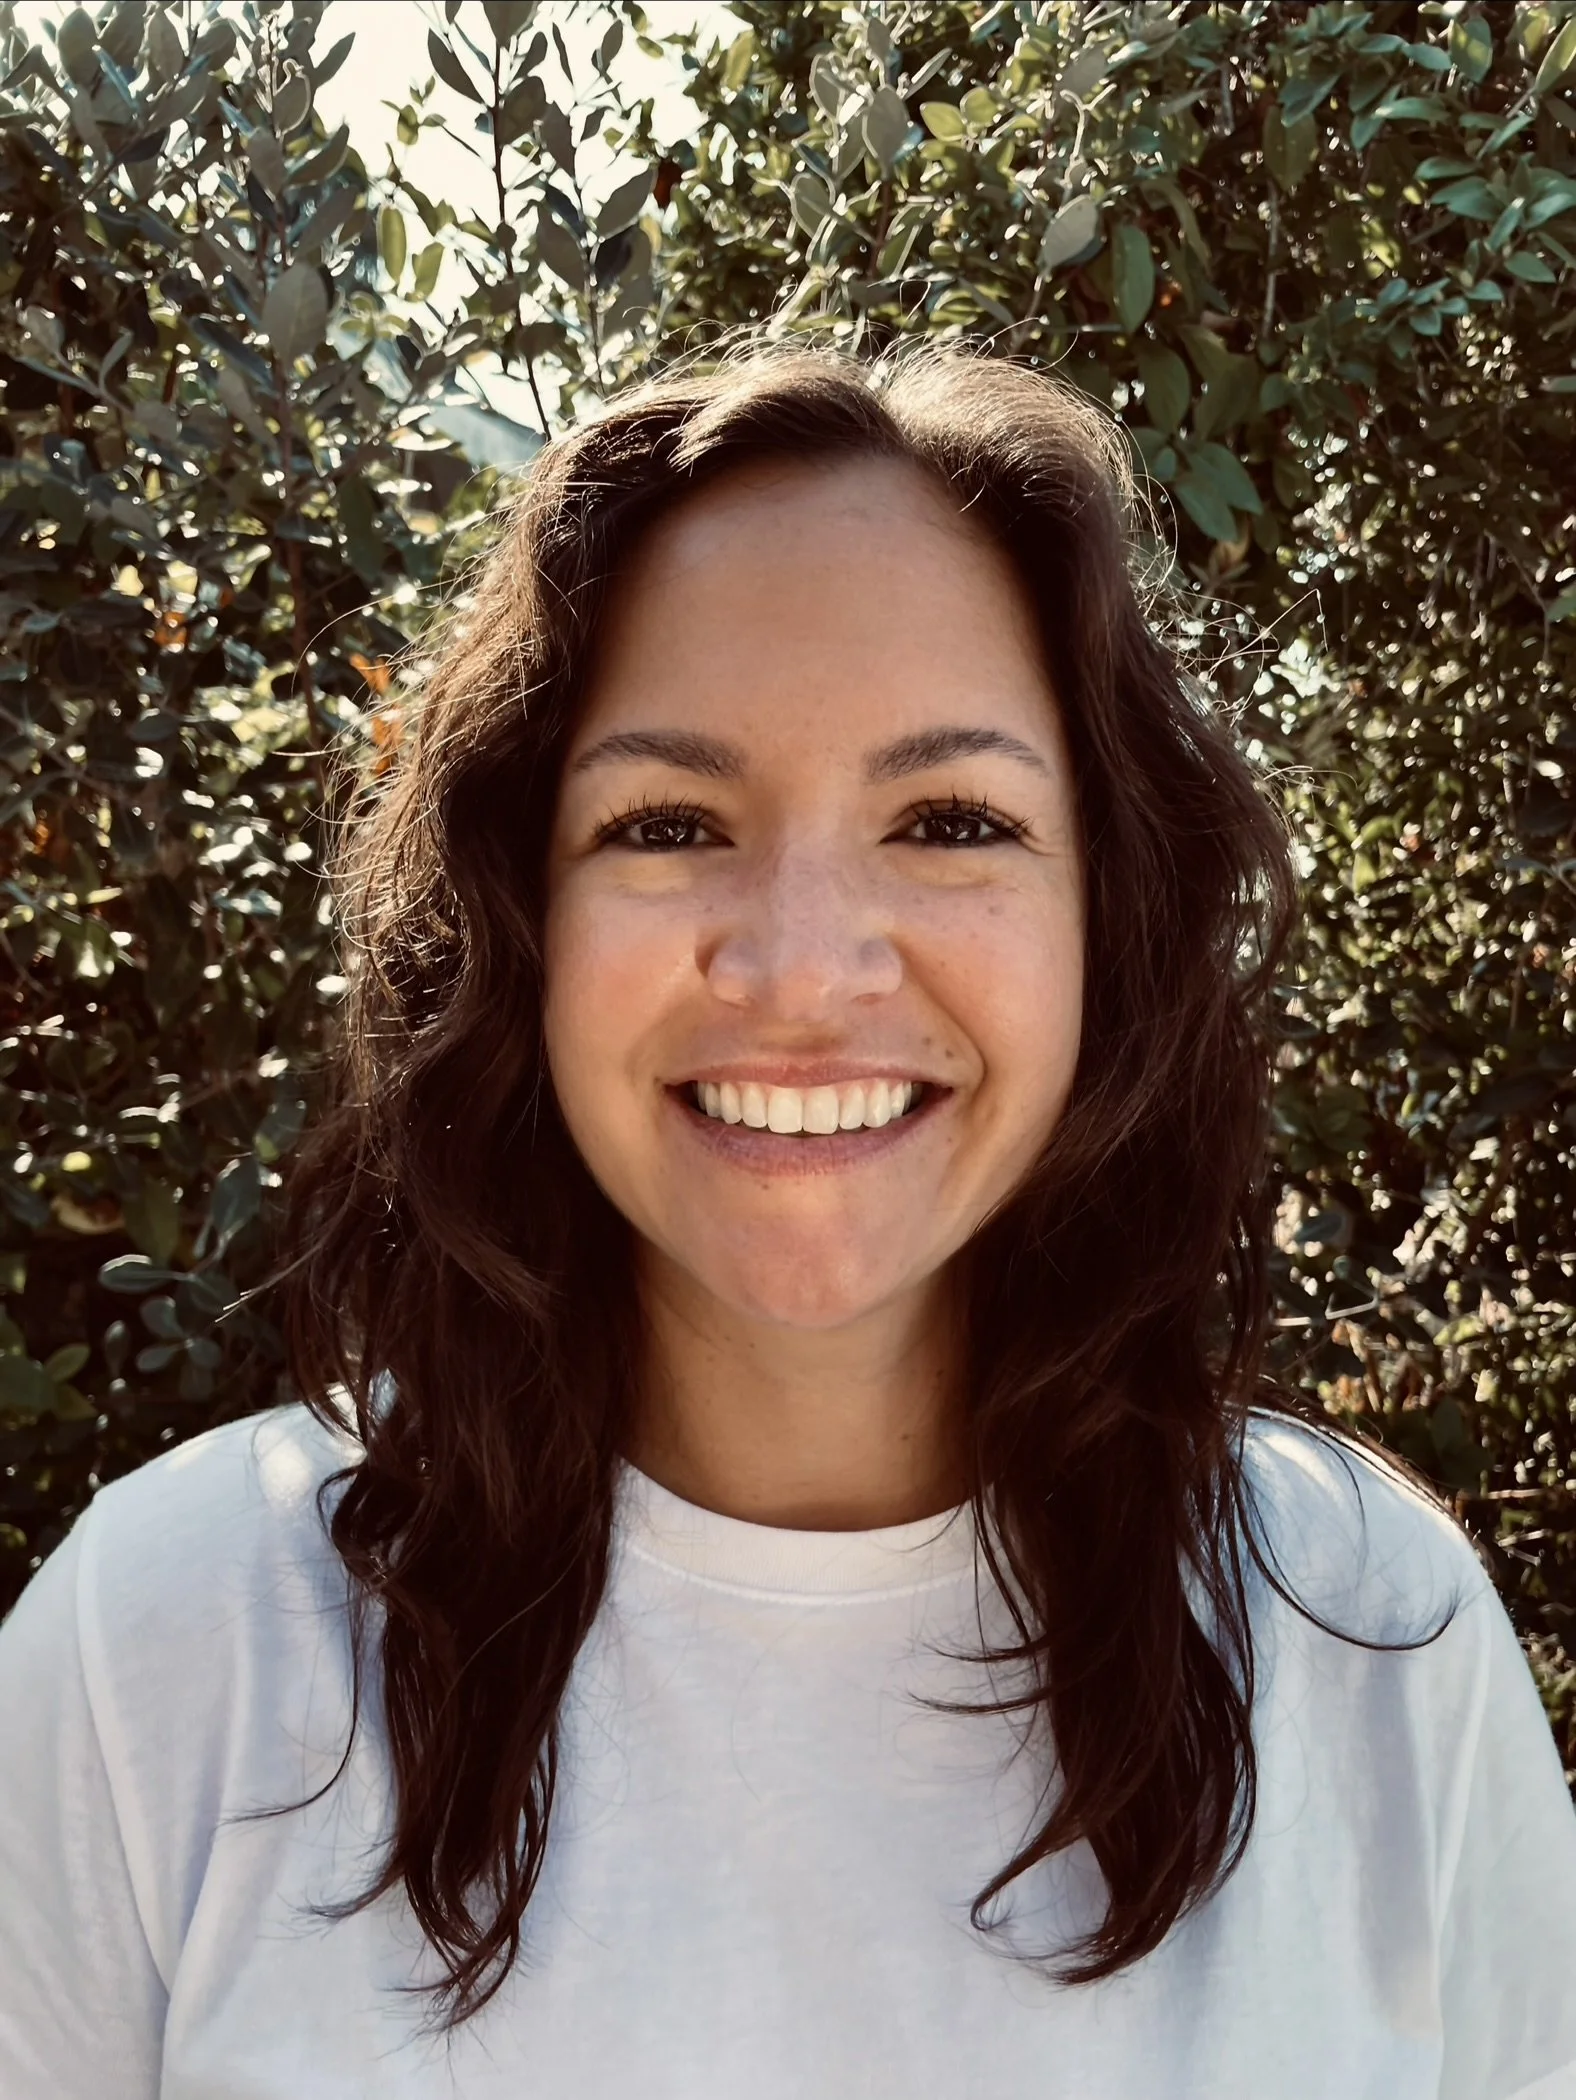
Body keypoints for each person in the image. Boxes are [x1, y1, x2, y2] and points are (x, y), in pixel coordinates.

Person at [1, 345, 1573, 2100]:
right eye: (669, 823)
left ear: (1106, 930)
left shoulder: (1372, 1646)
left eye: (953, 820)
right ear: (522, 922)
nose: (804, 970)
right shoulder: (168, 1649)